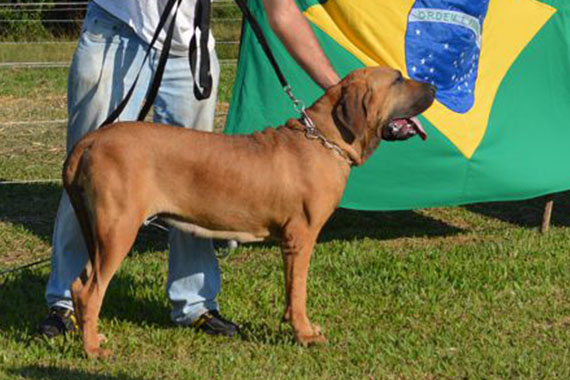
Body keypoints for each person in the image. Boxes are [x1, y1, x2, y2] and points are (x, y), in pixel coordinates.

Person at [39, 0, 340, 338]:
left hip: (189, 46)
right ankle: (66, 301)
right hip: (115, 29)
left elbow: (281, 10)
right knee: (93, 171)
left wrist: (339, 90)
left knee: (199, 179)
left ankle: (194, 304)